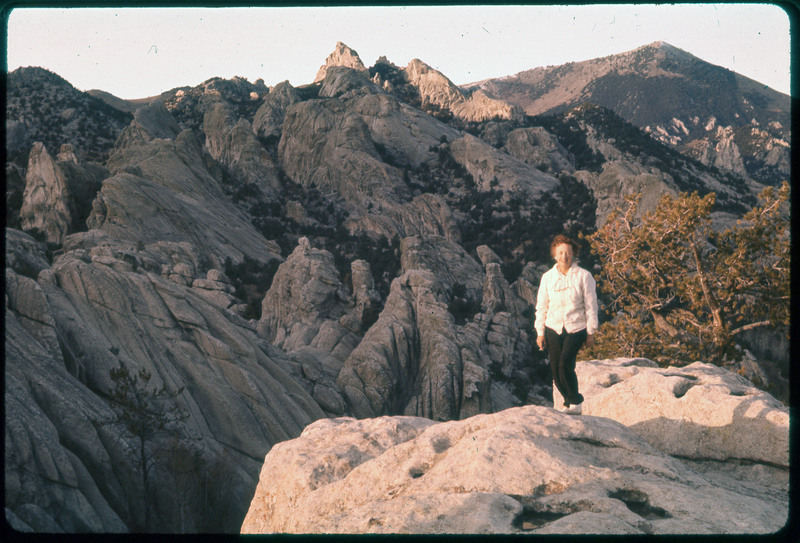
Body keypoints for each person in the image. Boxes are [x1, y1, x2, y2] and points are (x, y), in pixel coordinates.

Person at [534, 234, 598, 414]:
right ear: (555, 255)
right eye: (560, 252)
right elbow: (541, 306)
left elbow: (591, 305)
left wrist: (591, 331)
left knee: (564, 364)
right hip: (552, 327)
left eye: (568, 252)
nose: (564, 256)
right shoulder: (547, 277)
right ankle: (568, 402)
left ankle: (575, 401)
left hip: (576, 327)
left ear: (574, 254)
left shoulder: (584, 276)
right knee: (555, 370)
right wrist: (540, 332)